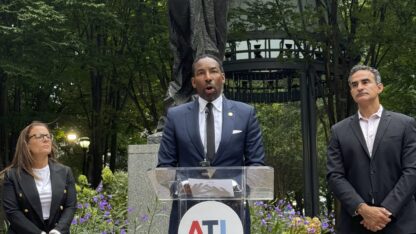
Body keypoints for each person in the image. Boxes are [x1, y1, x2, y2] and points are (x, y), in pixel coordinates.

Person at [158, 54, 265, 233]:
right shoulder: (175, 117)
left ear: (222, 77)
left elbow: (256, 164)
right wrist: (184, 187)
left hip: (232, 212)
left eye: (213, 71)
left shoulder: (245, 114)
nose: (207, 77)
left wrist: (235, 188)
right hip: (188, 213)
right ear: (193, 82)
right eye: (201, 73)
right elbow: (165, 166)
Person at [327, 65, 416, 233]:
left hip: (401, 223)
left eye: (365, 82)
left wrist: (384, 211)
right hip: (356, 224)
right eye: (354, 85)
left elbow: (412, 170)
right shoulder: (338, 131)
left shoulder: (405, 124)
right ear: (351, 92)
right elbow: (335, 176)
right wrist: (363, 209)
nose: (359, 87)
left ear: (379, 87)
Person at [1, 122, 77, 234]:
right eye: (39, 136)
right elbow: (12, 212)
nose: (46, 139)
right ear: (26, 144)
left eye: (48, 136)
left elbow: (70, 206)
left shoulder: (65, 172)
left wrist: (58, 230)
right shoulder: (12, 175)